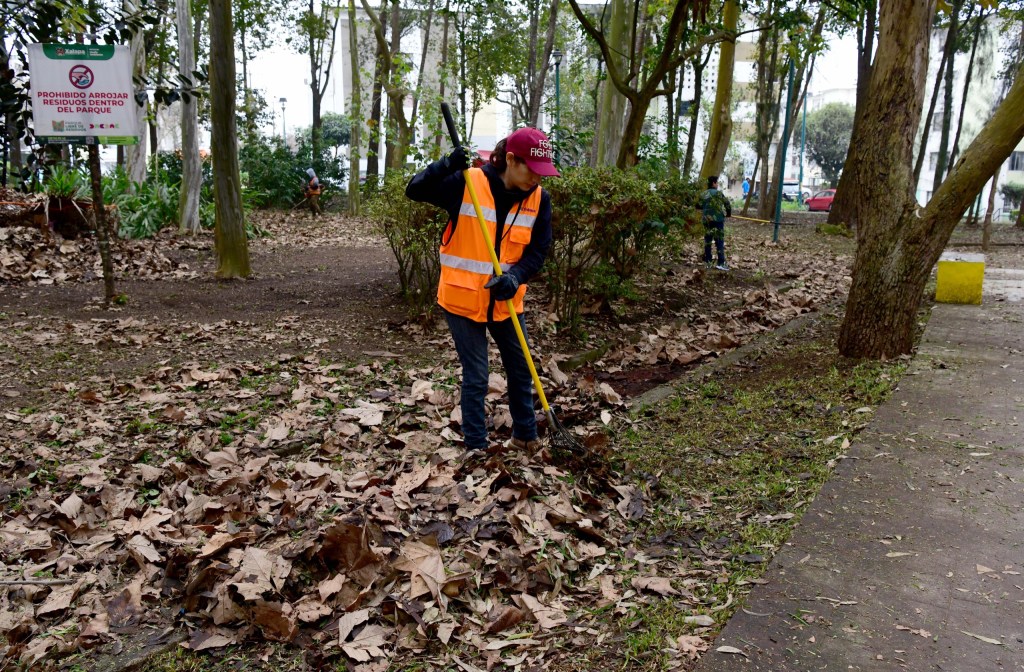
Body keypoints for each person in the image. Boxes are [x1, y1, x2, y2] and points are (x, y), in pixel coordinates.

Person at [405, 128, 558, 454]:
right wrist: (445, 165)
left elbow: (538, 250)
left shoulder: (539, 199)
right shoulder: (468, 183)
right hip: (462, 298)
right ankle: (476, 448)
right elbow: (415, 190)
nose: (537, 178)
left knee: (521, 368)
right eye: (532, 169)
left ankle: (525, 436)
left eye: (542, 172)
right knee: (477, 375)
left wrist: (515, 277)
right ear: (511, 159)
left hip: (505, 299)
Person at [701, 175, 732, 271]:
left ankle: (708, 262)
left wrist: (706, 208)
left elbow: (698, 205)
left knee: (708, 241)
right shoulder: (718, 193)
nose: (717, 184)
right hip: (718, 220)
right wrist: (728, 214)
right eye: (717, 182)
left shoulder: (704, 194)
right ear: (713, 183)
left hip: (706, 220)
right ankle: (721, 263)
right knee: (719, 241)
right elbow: (727, 204)